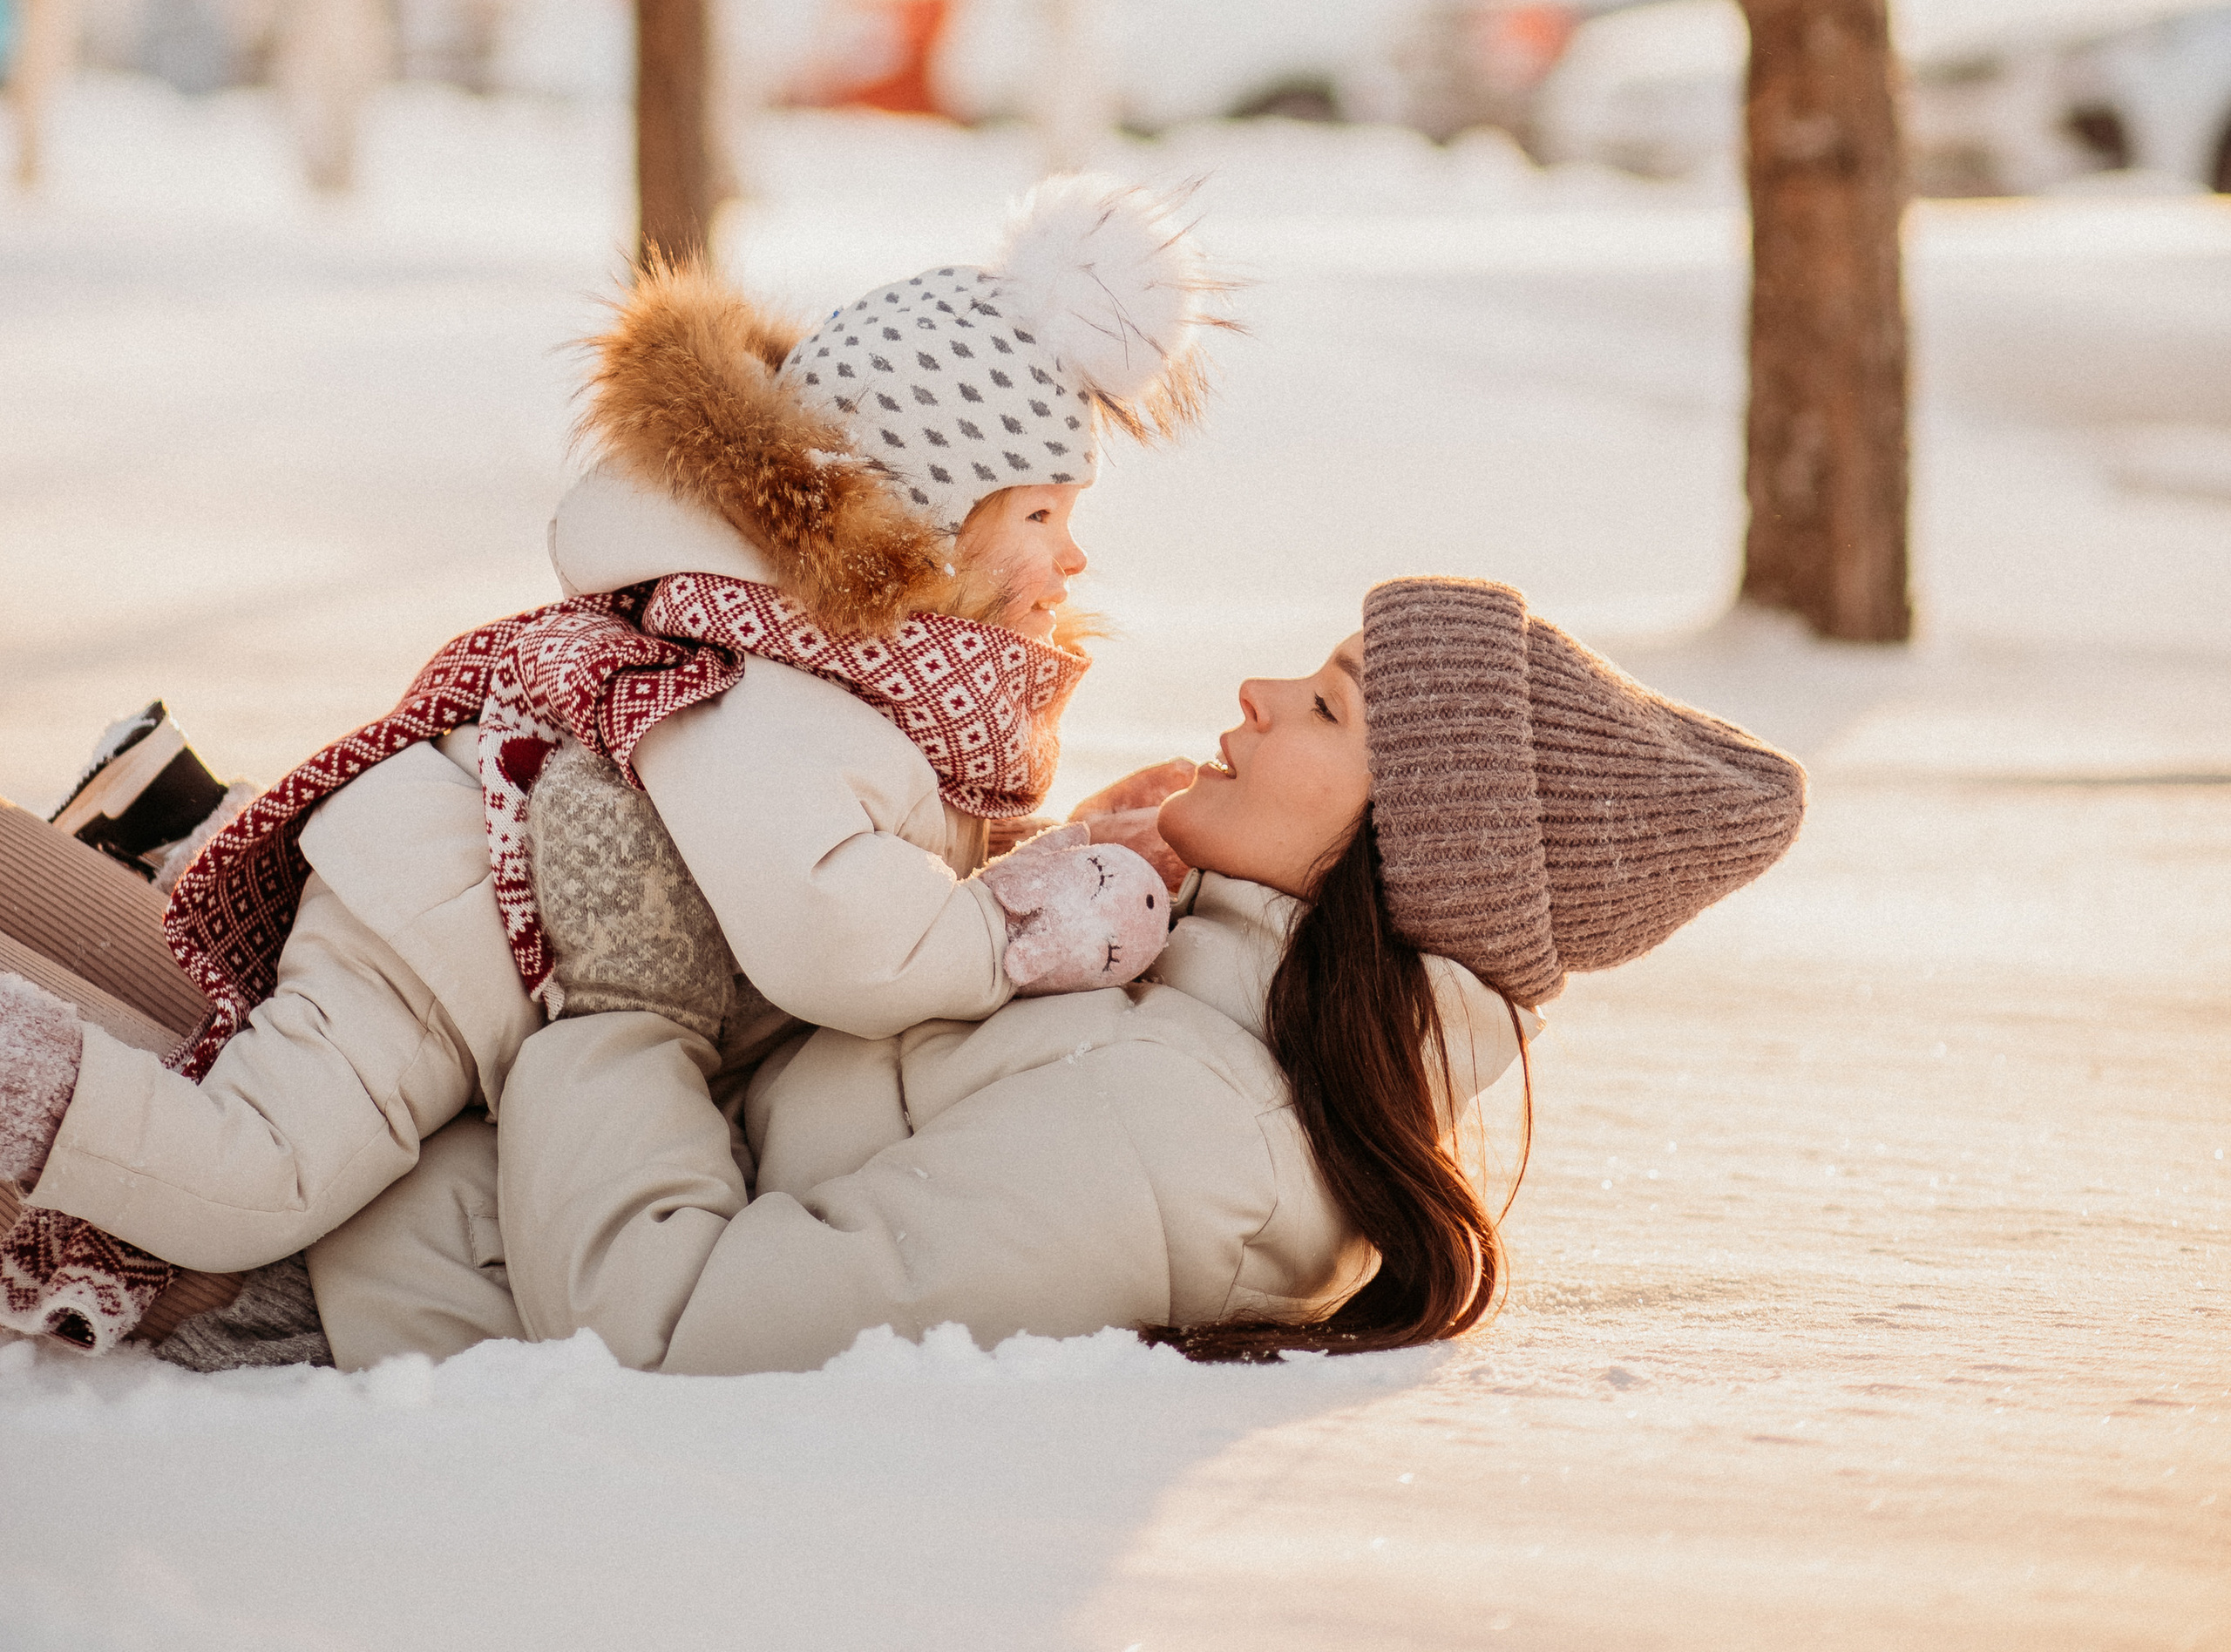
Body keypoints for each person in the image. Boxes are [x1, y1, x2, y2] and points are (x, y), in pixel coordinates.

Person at [0, 176, 1210, 1350]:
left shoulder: (853, 665)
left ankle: (159, 829)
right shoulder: (797, 689)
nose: (1075, 559)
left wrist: (1054, 846)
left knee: (212, 1064)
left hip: (459, 892)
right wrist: (1005, 940)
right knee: (254, 1177)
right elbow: (825, 920)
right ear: (926, 525)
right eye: (1043, 516)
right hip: (442, 941)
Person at [288, 575, 1806, 1373]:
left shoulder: (1181, 1139)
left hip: (354, 1278)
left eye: (1328, 712)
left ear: (1398, 857)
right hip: (385, 1139)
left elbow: (673, 1331)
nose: (1260, 695)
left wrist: (619, 1008)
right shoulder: (1169, 985)